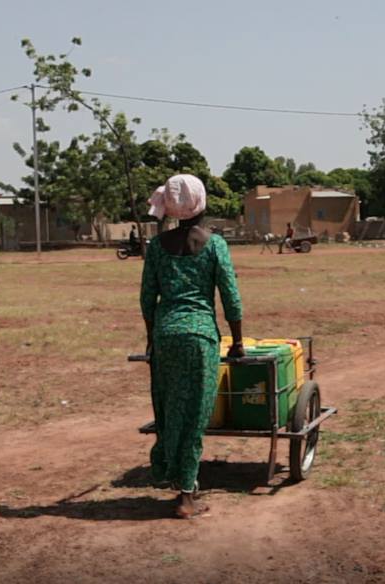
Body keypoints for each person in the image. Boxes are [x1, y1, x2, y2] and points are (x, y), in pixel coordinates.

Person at [141, 174, 244, 519]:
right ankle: (186, 496)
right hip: (200, 338)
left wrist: (151, 337)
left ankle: (169, 474)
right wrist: (239, 342)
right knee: (195, 415)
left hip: (166, 335)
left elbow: (146, 299)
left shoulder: (157, 247)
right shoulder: (215, 245)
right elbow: (230, 297)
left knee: (169, 410)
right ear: (201, 202)